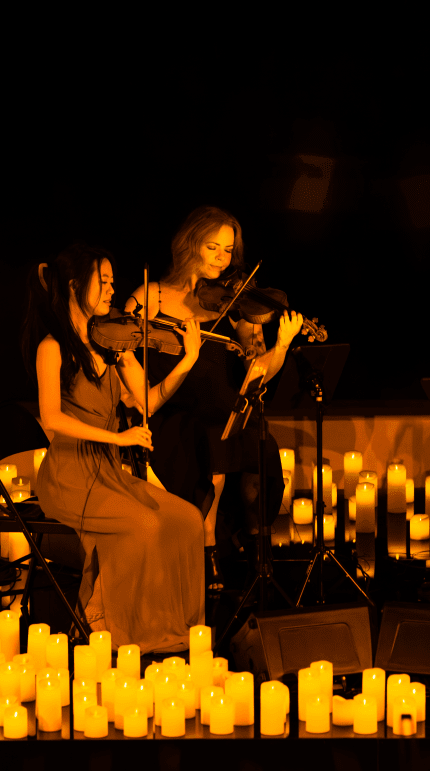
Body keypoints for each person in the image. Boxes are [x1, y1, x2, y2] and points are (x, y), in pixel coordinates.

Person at [23, 242, 206, 654]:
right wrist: (120, 438)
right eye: (101, 282)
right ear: (74, 286)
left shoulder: (113, 345)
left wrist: (186, 361)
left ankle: (169, 626)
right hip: (69, 477)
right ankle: (110, 623)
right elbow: (51, 419)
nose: (111, 290)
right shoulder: (52, 349)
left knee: (188, 520)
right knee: (144, 525)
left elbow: (148, 401)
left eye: (111, 281)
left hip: (107, 473)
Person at [123, 206, 305, 590]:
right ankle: (207, 547)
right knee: (213, 437)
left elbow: (258, 371)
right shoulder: (149, 297)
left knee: (259, 444)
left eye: (228, 250)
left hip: (220, 410)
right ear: (191, 245)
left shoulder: (234, 304)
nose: (222, 259)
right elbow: (124, 364)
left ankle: (255, 549)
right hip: (170, 411)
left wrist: (283, 345)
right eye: (213, 248)